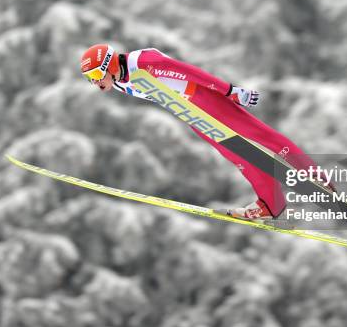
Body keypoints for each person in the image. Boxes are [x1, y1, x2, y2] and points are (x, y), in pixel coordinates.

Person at [79, 44, 325, 220]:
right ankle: (271, 203)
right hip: (189, 112)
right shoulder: (119, 80)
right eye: (90, 79)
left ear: (109, 65)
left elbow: (190, 73)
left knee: (258, 134)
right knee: (239, 155)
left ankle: (312, 173)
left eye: (96, 75)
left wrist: (230, 90)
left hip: (203, 98)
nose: (96, 83)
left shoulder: (142, 63)